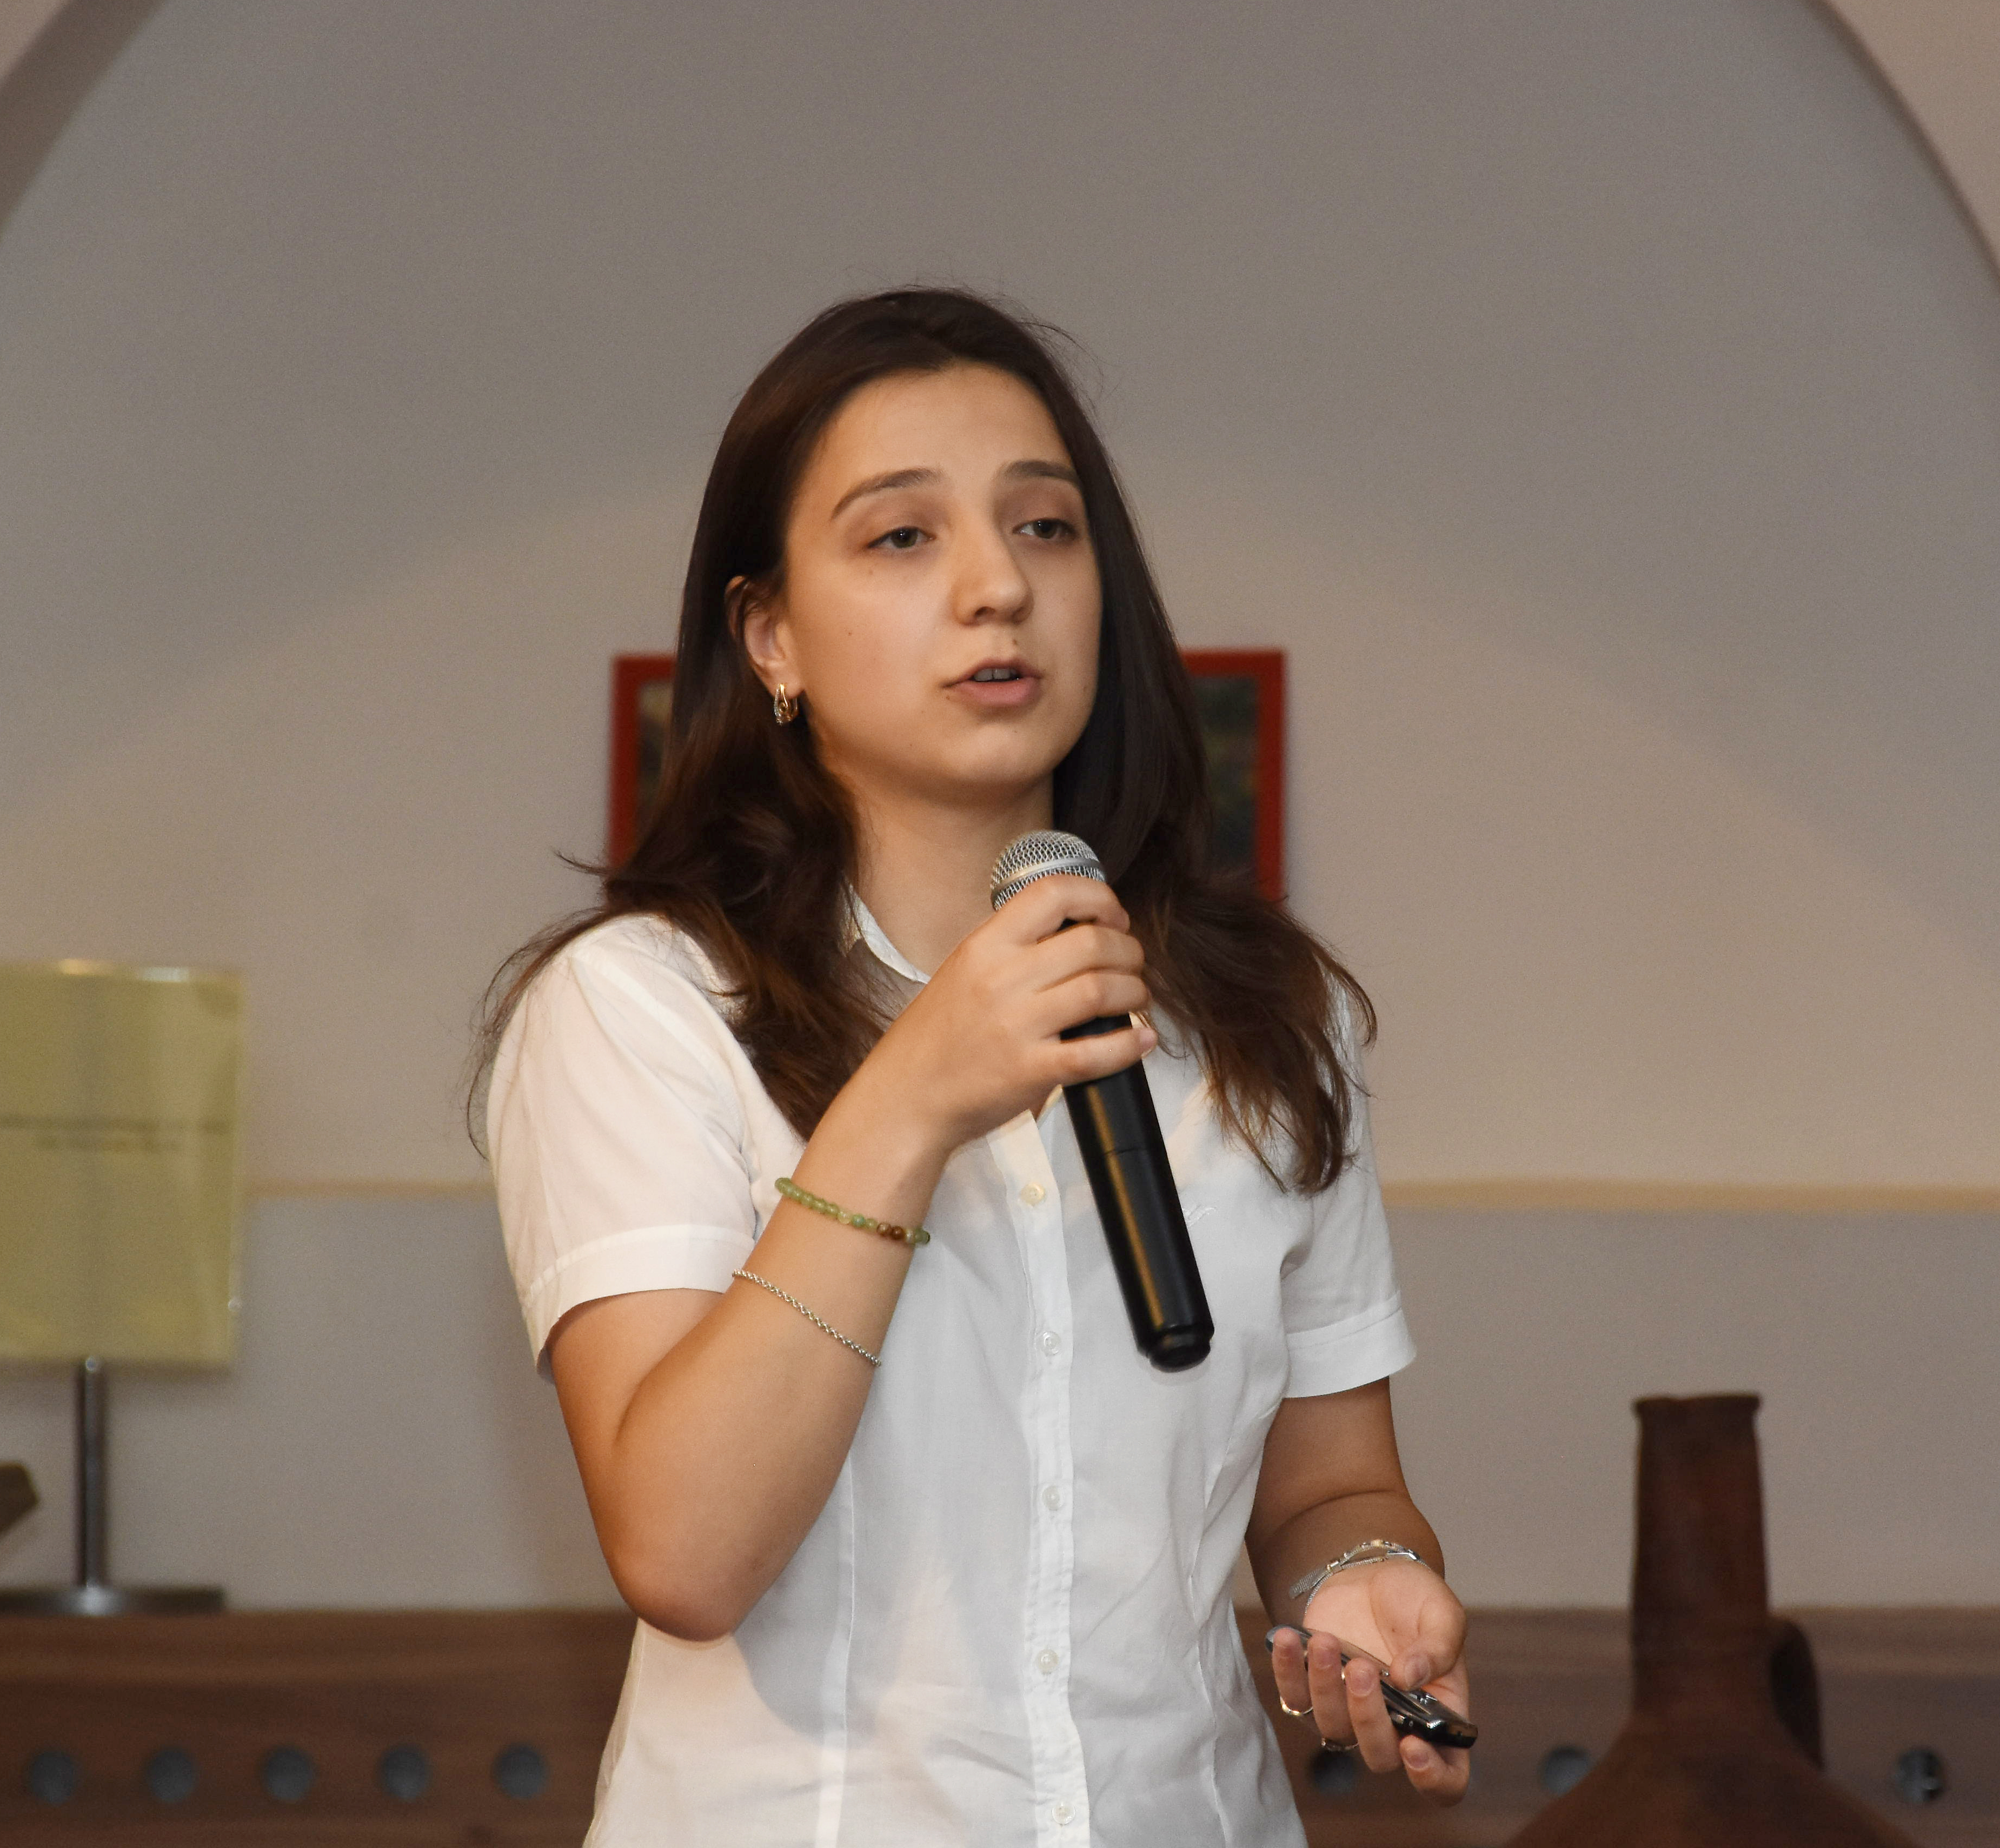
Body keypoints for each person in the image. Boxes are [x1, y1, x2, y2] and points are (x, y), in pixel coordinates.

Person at [481, 288, 1469, 1845]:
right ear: (770, 637)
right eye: (902, 537)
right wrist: (914, 1093)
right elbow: (684, 1553)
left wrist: (1364, 1577)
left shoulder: (1265, 1020)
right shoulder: (643, 1009)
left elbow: (1326, 1488)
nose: (997, 586)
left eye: (1045, 528)